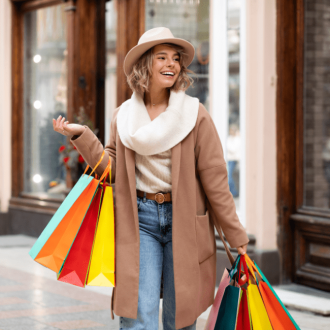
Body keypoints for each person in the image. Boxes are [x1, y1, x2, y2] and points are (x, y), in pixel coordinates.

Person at [53, 27, 249, 330]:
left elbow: (215, 181)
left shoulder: (195, 115)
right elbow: (112, 168)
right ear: (145, 63)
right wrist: (83, 136)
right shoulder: (125, 116)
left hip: (185, 221)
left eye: (175, 59)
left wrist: (237, 237)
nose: (171, 64)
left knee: (180, 317)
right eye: (162, 57)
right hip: (140, 220)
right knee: (136, 315)